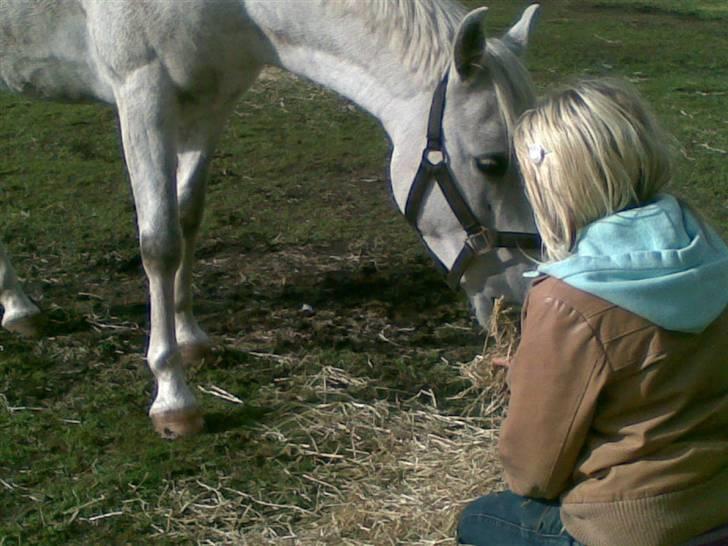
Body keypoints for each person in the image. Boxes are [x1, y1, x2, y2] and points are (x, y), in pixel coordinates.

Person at [456, 78, 728, 546]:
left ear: (557, 186)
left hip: (633, 524)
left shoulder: (567, 299)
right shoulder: (710, 250)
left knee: (480, 520)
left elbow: (533, 472)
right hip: (718, 496)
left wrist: (526, 383)